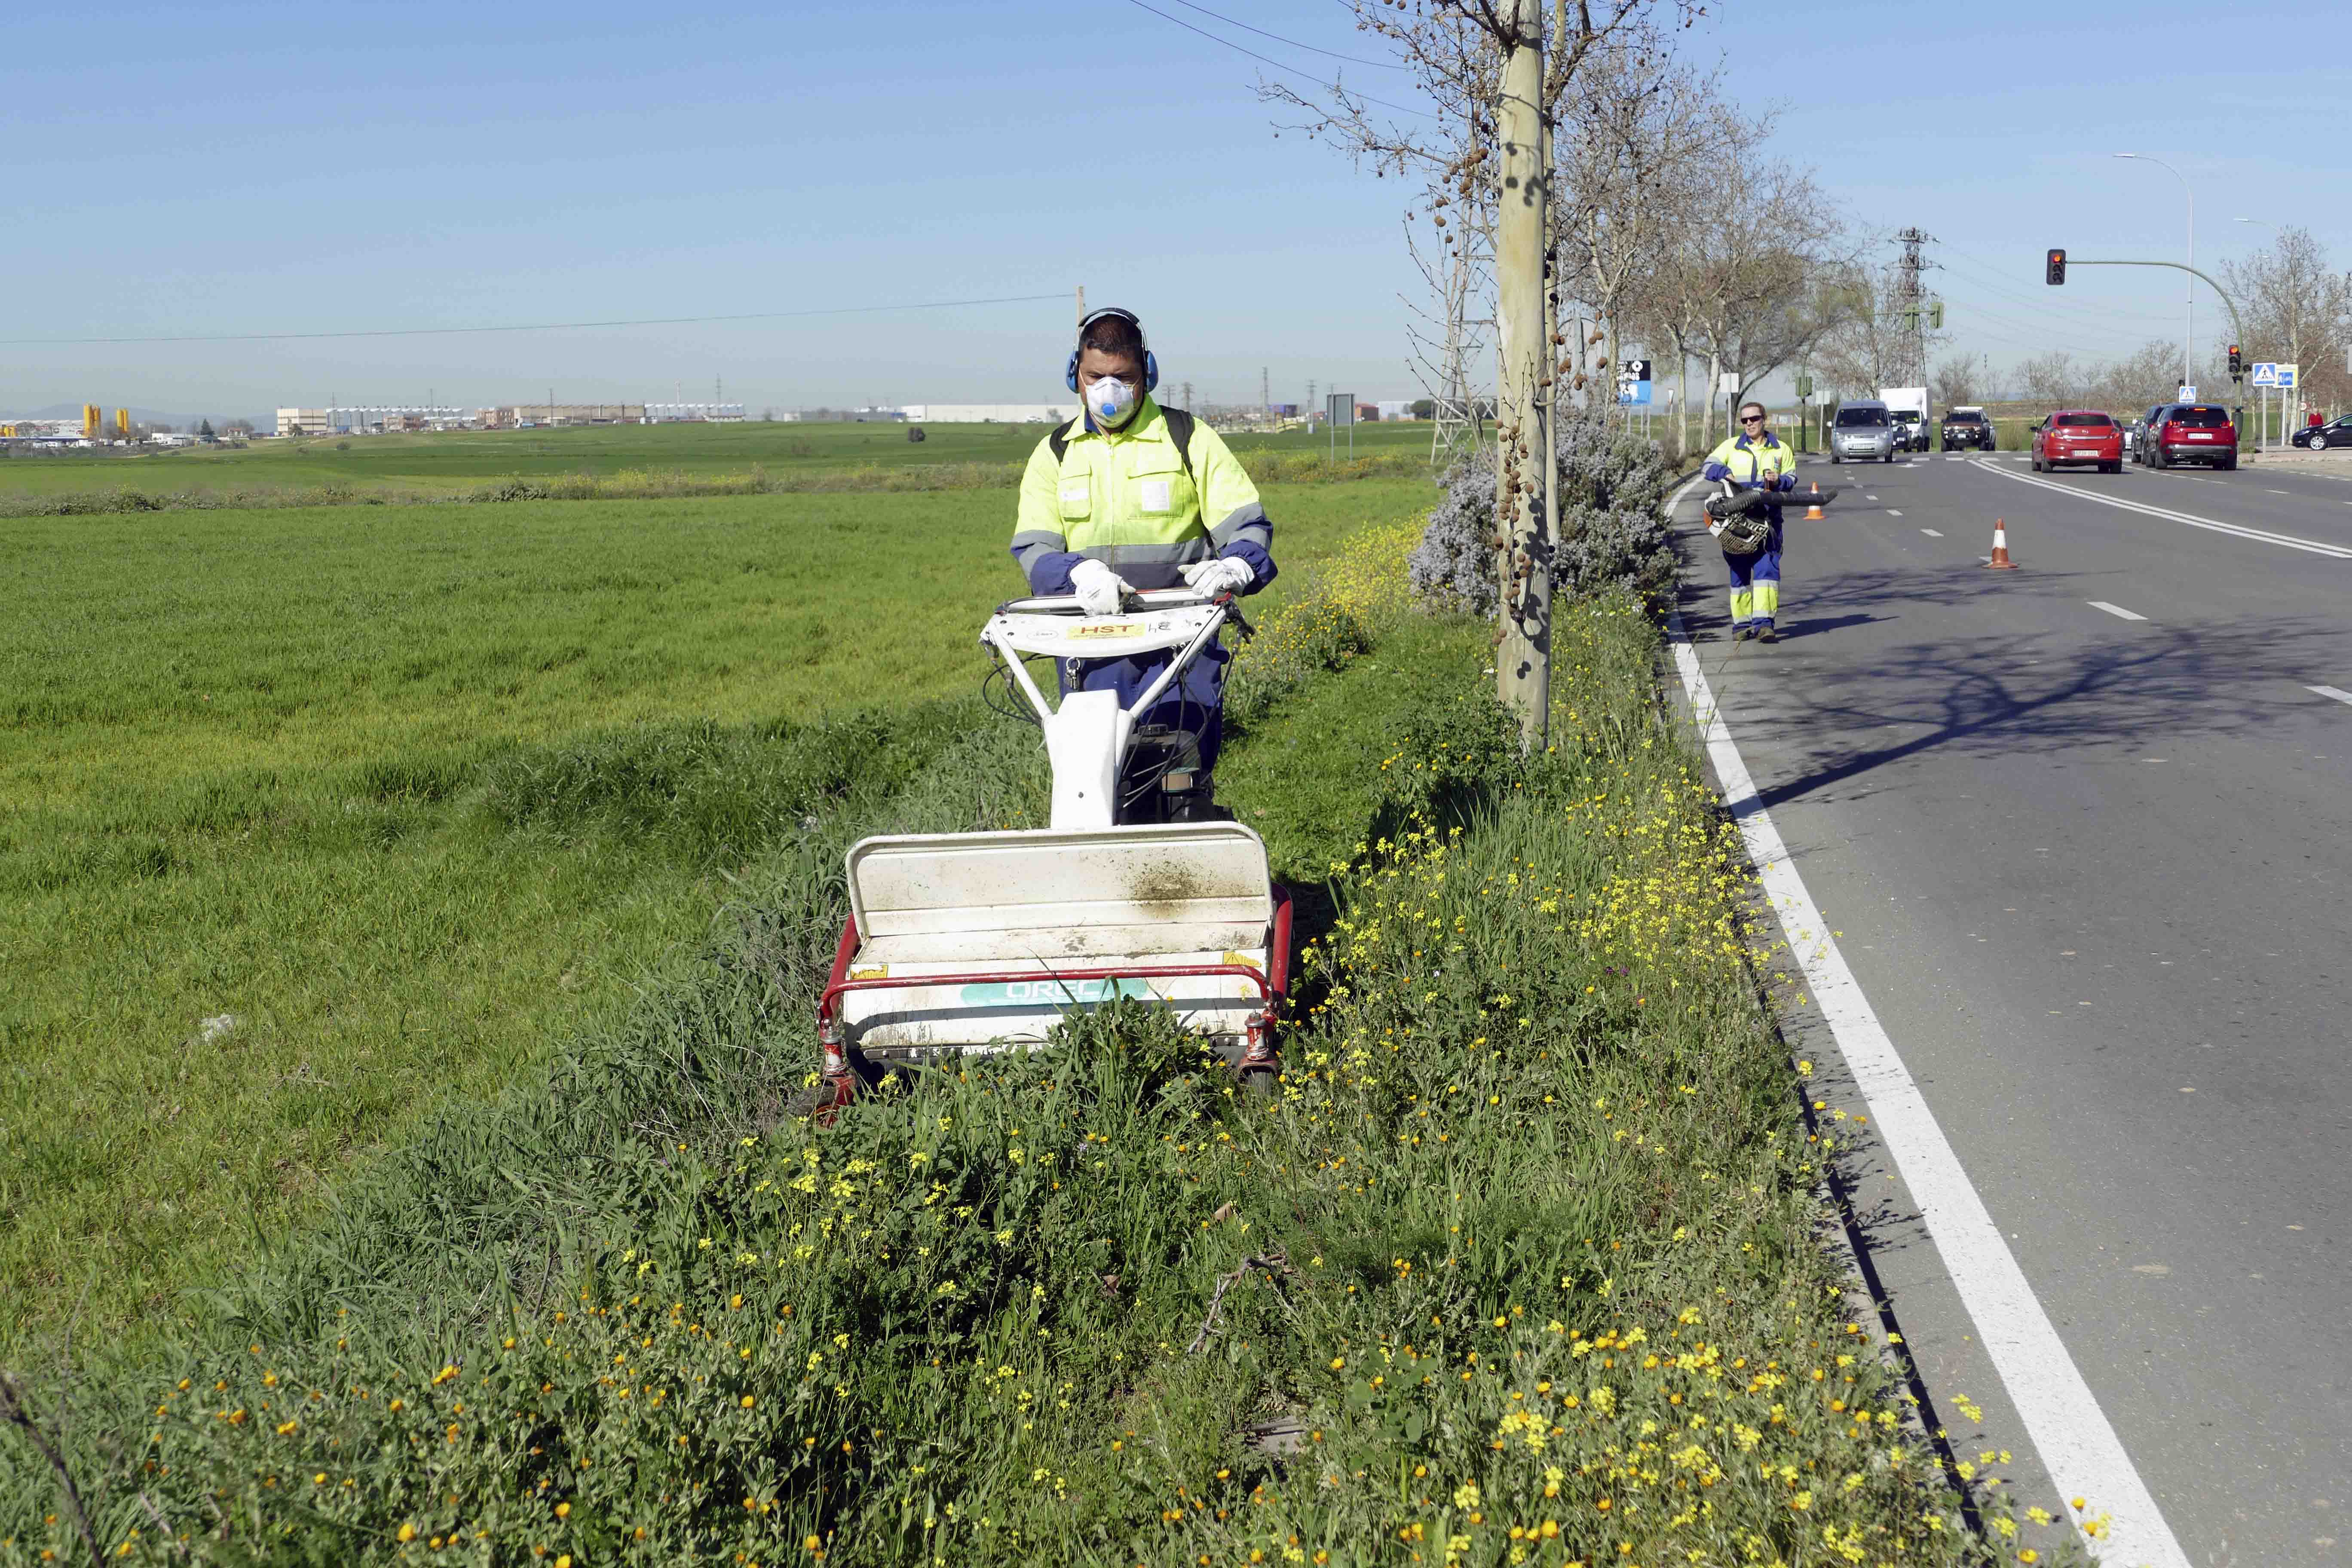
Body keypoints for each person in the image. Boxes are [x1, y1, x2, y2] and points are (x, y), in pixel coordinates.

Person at [1009, 306, 1275, 777]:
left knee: (1178, 780)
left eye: (1123, 377)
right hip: (1090, 647)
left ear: (1146, 375)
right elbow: (1034, 549)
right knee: (1096, 781)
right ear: (1077, 376)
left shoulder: (1188, 439)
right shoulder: (1055, 454)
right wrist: (1078, 573)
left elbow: (1248, 524)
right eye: (1096, 376)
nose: (1108, 390)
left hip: (1179, 647)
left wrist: (1236, 565)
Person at [1702, 401, 1800, 643]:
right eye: (1744, 420)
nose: (1749, 424)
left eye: (1754, 419)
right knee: (1739, 573)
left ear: (1763, 420)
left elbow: (1792, 477)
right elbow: (1707, 466)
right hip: (1738, 523)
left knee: (1767, 572)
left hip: (1768, 522)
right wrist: (1723, 472)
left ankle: (1765, 625)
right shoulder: (1731, 447)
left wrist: (1779, 481)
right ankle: (1742, 626)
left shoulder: (1781, 449)